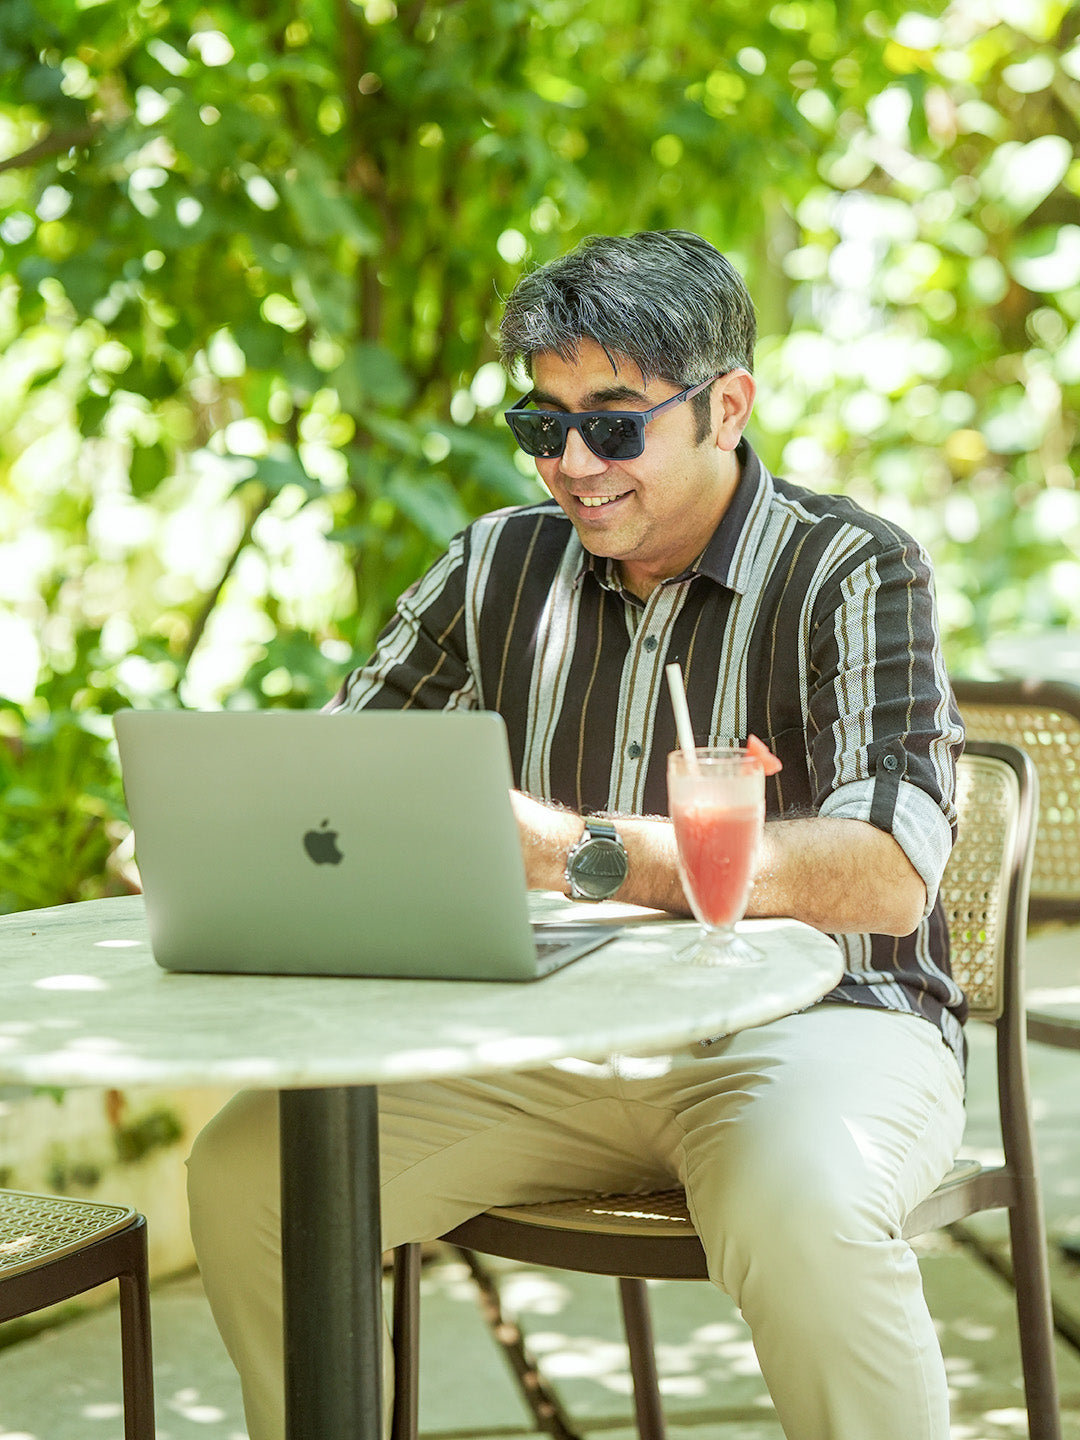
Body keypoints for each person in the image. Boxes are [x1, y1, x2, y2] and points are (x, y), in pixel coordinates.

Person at [187, 229, 967, 1440]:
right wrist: (227, 835)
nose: (573, 465)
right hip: (554, 1042)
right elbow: (338, 784)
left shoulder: (851, 570)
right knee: (253, 1176)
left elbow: (889, 874)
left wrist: (569, 851)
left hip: (820, 1030)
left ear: (726, 407)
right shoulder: (493, 566)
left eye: (613, 426)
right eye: (542, 427)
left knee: (804, 1206)